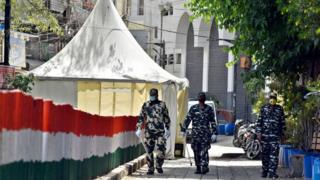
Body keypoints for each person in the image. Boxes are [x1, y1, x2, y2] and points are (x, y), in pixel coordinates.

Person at [135, 88, 171, 175]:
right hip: (149, 132)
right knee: (149, 150)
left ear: (157, 96)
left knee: (161, 149)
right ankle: (150, 168)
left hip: (160, 131)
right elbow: (141, 117)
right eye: (151, 95)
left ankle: (159, 165)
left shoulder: (162, 105)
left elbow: (166, 117)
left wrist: (167, 128)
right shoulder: (146, 105)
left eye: (153, 95)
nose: (152, 97)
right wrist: (138, 128)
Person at [180, 92, 217, 174]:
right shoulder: (193, 108)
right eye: (200, 97)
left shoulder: (209, 109)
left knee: (204, 150)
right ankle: (198, 167)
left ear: (204, 99)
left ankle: (204, 166)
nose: (201, 99)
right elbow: (188, 119)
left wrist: (214, 132)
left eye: (202, 97)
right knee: (196, 150)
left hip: (205, 134)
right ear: (198, 99)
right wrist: (183, 129)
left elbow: (212, 121)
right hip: (195, 134)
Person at [256, 93, 286, 179]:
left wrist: (283, 134)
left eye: (274, 98)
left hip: (275, 136)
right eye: (271, 98)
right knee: (265, 155)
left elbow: (282, 122)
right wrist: (258, 133)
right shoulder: (264, 108)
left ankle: (272, 172)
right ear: (269, 99)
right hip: (265, 136)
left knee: (274, 156)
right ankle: (265, 171)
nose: (272, 100)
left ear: (276, 99)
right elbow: (259, 121)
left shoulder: (279, 109)